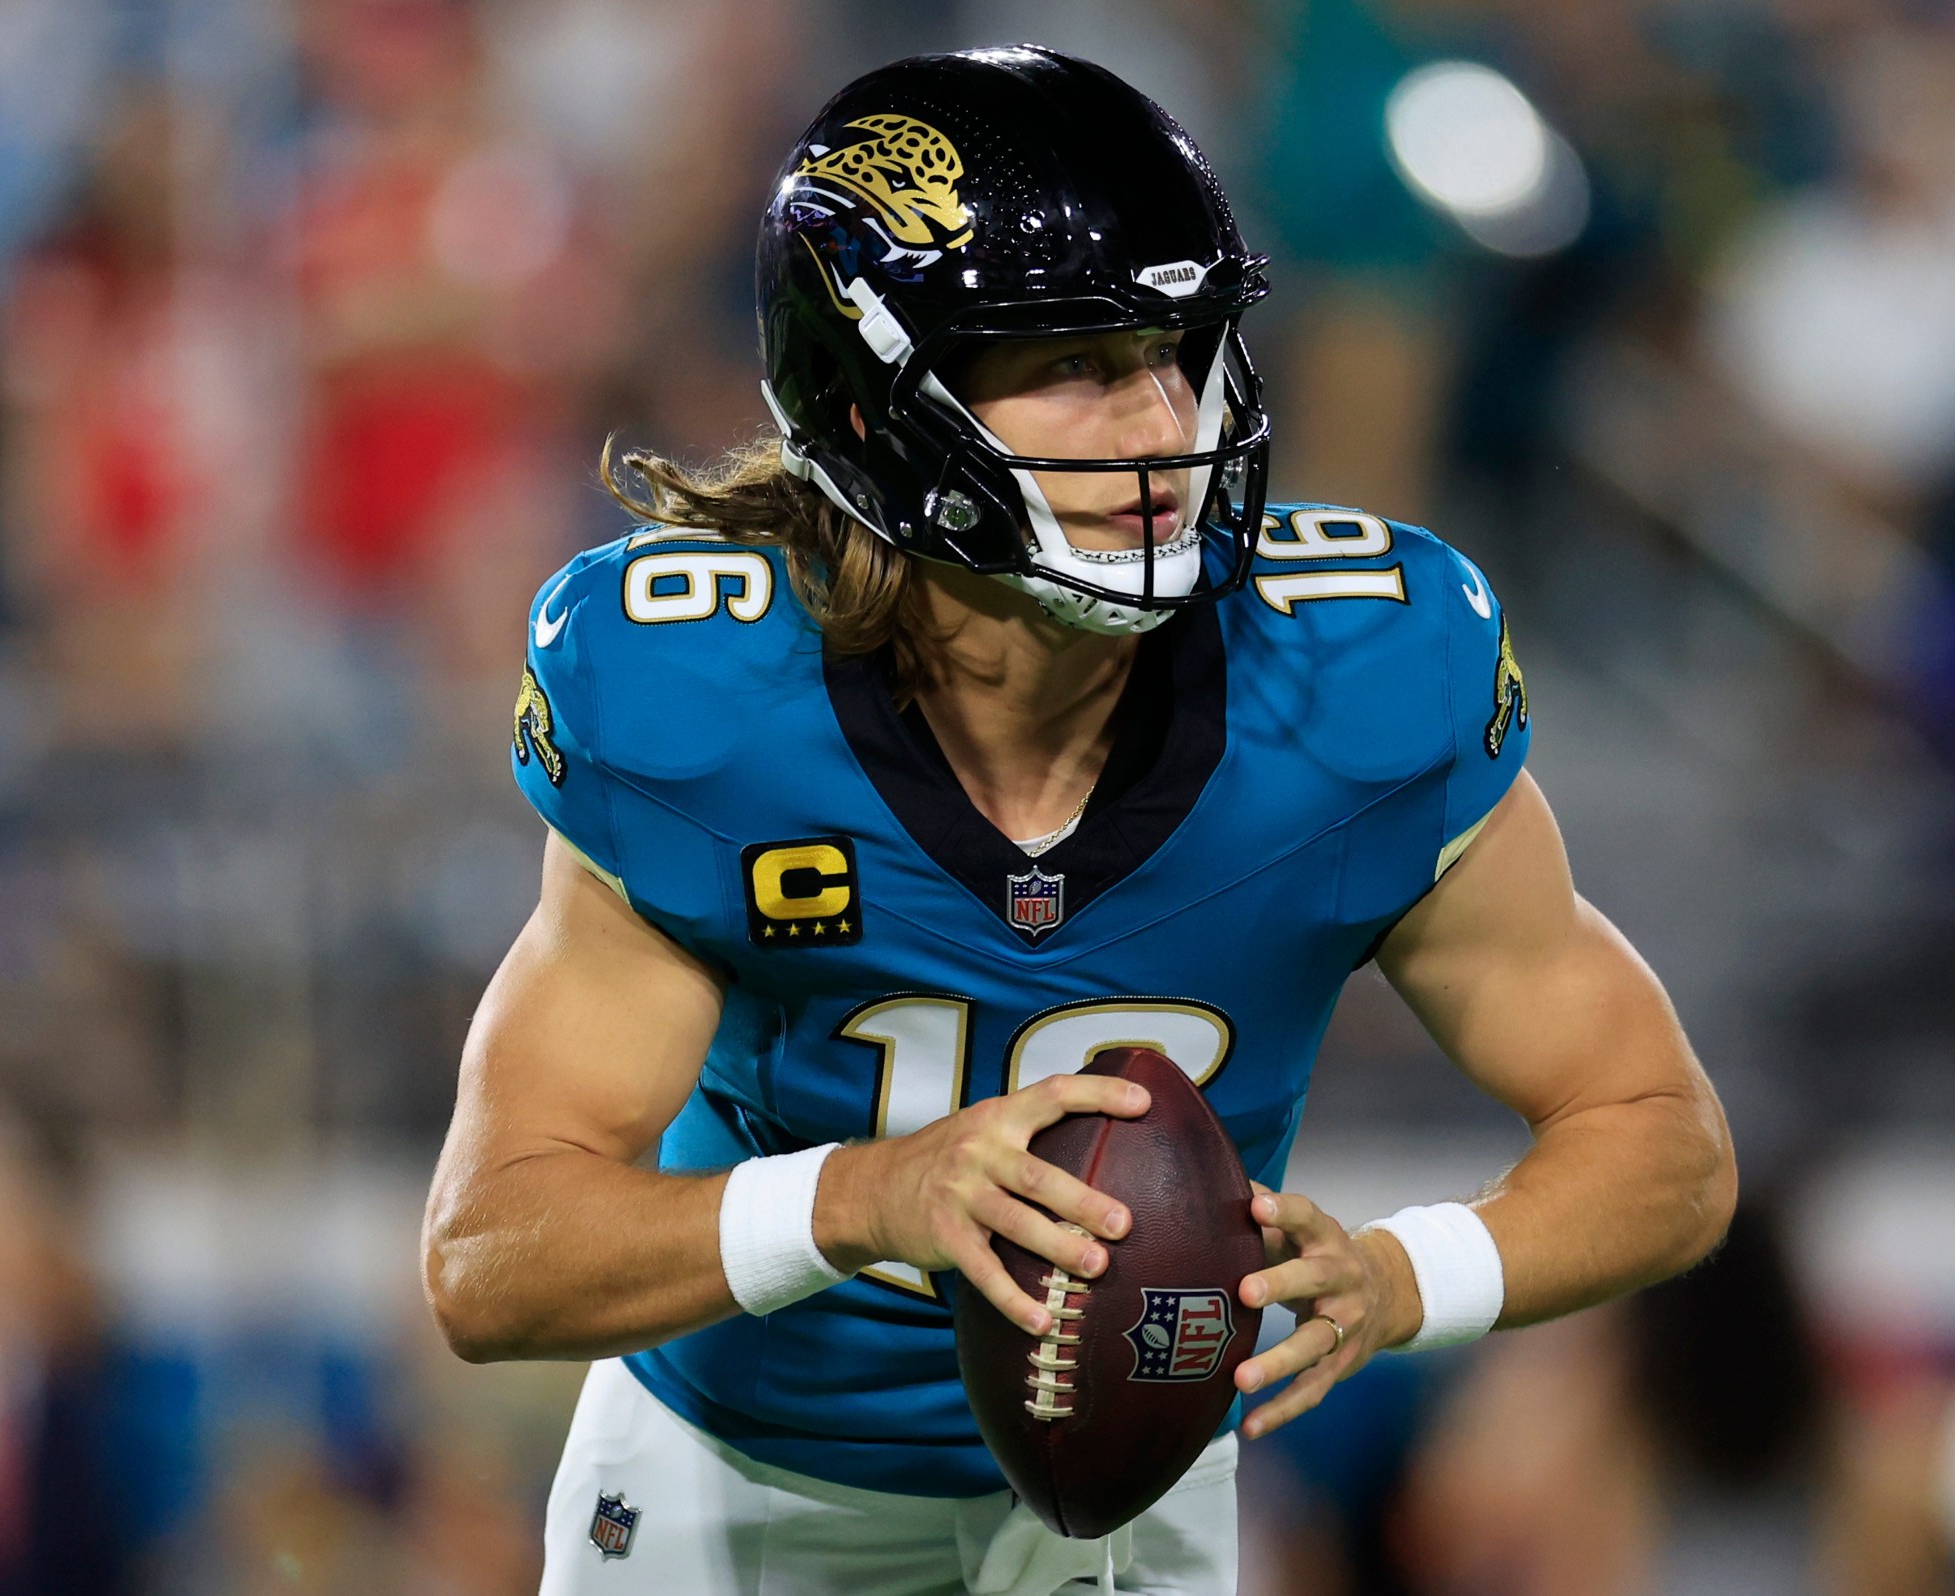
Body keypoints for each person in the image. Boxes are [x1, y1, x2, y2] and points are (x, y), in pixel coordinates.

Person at [422, 45, 1736, 1596]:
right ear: (870, 402)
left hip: (1136, 1503)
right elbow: (490, 1259)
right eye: (1072, 362)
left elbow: (1668, 1145)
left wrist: (1400, 1277)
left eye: (1179, 349)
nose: (1159, 421)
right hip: (738, 1490)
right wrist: (863, 1197)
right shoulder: (703, 704)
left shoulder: (1363, 681)